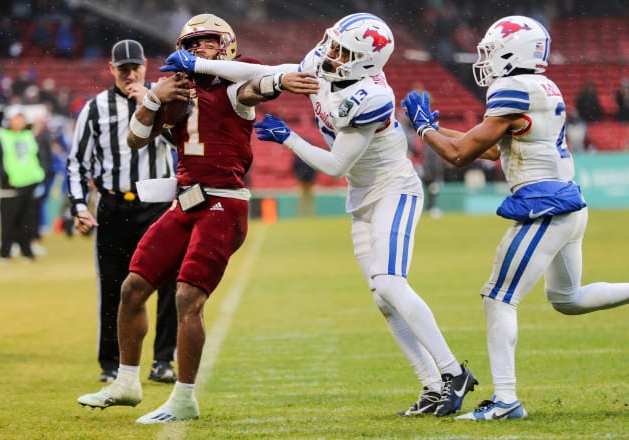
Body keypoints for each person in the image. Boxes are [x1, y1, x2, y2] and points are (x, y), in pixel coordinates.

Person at [161, 12, 479, 418]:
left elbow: (335, 166)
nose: (331, 53)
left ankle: (453, 373)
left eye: (342, 49)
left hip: (393, 190)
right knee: (383, 299)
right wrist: (199, 64)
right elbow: (266, 70)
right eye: (333, 42)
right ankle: (432, 386)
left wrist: (289, 137)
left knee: (390, 283)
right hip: (362, 195)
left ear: (366, 61)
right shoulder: (324, 61)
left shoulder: (371, 97)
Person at [76, 14, 319, 423]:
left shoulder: (236, 85)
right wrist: (154, 97)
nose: (199, 50)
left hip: (223, 203)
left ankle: (184, 398)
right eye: (193, 44)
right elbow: (135, 139)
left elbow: (260, 81)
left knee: (188, 296)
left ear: (224, 46)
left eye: (208, 42)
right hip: (186, 203)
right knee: (133, 287)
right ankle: (127, 382)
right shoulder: (176, 92)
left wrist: (279, 81)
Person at [401, 15, 629, 420]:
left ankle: (505, 401)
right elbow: (491, 148)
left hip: (544, 209)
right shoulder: (541, 84)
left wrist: (422, 130)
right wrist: (436, 128)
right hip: (569, 204)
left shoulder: (511, 87)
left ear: (513, 51)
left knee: (498, 298)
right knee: (568, 299)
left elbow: (461, 154)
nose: (485, 59)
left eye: (490, 50)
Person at [66, 39, 178, 385]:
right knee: (113, 286)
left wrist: (151, 103)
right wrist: (79, 206)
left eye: (135, 67)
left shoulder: (164, 100)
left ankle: (163, 360)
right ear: (111, 69)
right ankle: (111, 364)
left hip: (157, 203)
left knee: (170, 285)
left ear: (146, 65)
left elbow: (182, 141)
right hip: (113, 206)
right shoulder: (95, 109)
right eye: (123, 68)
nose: (130, 73)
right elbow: (77, 164)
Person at [0, 105, 45, 262]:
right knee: (8, 220)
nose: (19, 122)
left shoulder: (29, 136)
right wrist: (4, 177)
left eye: (21, 118)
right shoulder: (1, 136)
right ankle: (5, 252)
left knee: (27, 220)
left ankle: (27, 251)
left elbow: (37, 157)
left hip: (30, 182)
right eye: (16, 118)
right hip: (11, 184)